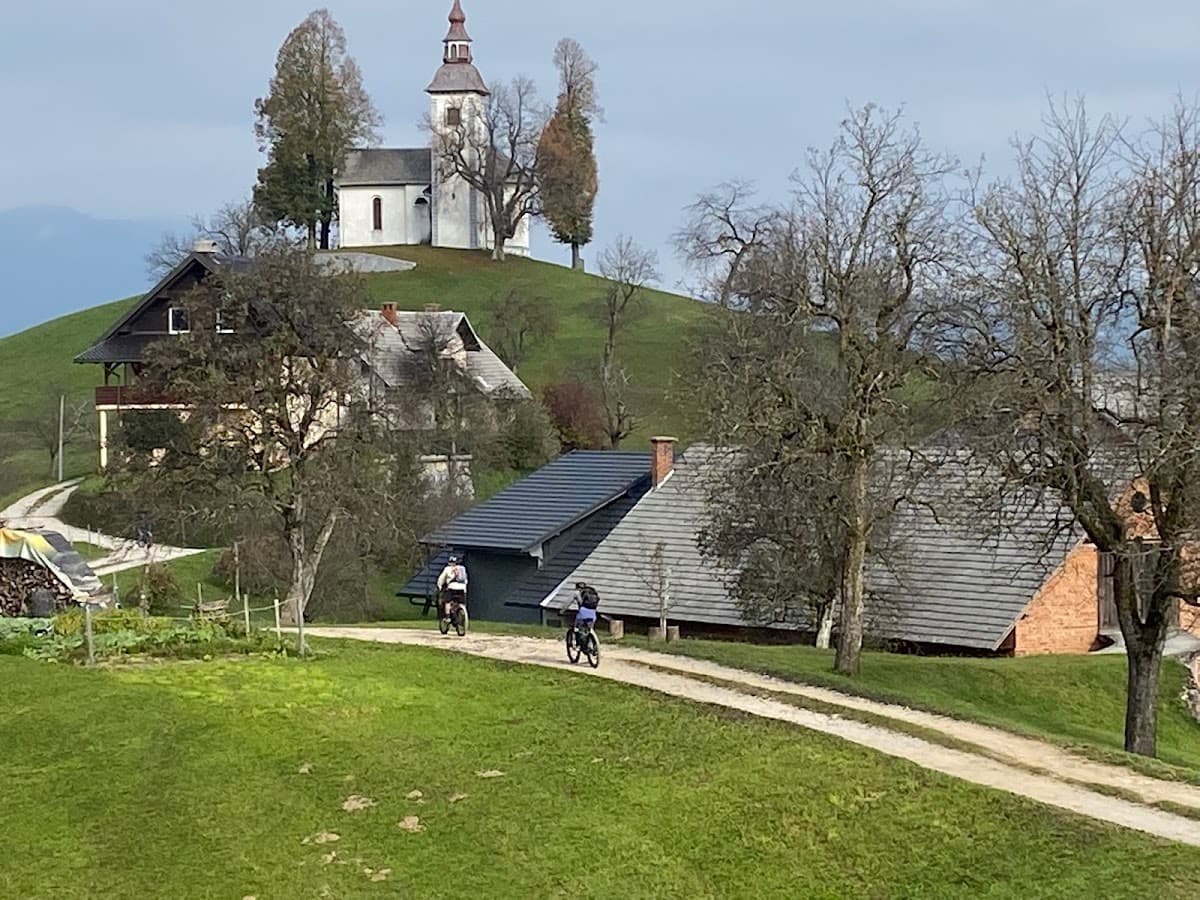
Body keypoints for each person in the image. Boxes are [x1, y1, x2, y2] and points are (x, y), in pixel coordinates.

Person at [436, 554, 468, 622]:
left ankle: (448, 617)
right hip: (462, 588)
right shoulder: (462, 568)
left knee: (447, 602)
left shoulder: (447, 568)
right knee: (461, 603)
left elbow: (441, 579)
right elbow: (465, 580)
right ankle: (462, 614)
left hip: (452, 587)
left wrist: (439, 586)